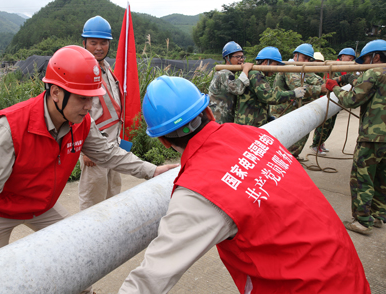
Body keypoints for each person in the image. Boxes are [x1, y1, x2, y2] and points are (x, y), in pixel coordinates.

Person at [0, 46, 177, 290]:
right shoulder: (11, 128)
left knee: (77, 256)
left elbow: (108, 153)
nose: (89, 107)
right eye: (82, 98)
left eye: (92, 98)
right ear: (56, 92)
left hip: (43, 206)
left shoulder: (81, 121)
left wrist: (152, 171)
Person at [118, 75, 370, 293]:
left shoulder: (201, 191)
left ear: (163, 141)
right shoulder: (258, 136)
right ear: (208, 112)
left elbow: (152, 277)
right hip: (347, 273)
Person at [325, 39, 386, 235]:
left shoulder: (374, 72)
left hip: (372, 136)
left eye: (366, 59)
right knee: (381, 177)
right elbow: (361, 81)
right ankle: (377, 215)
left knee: (362, 177)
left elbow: (351, 99)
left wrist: (334, 87)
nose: (365, 63)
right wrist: (347, 79)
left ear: (376, 56)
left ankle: (362, 221)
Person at [78, 15, 124, 211]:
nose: (99, 47)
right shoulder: (81, 70)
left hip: (113, 144)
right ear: (84, 43)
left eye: (103, 42)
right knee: (93, 202)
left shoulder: (105, 68)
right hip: (94, 149)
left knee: (112, 196)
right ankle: (88, 240)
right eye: (93, 42)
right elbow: (77, 111)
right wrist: (85, 148)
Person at [271, 43, 326, 159]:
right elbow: (296, 86)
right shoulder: (289, 67)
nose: (306, 61)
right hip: (282, 111)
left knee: (301, 133)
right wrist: (319, 89)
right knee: (283, 138)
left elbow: (315, 78)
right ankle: (285, 160)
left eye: (308, 59)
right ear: (295, 56)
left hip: (292, 110)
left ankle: (292, 157)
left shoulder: (302, 69)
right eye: (304, 58)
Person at [234, 46, 305, 127]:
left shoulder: (260, 75)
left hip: (253, 123)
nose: (275, 69)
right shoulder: (255, 75)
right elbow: (269, 96)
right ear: (266, 62)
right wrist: (293, 93)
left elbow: (259, 101)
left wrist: (268, 117)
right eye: (275, 65)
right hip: (248, 125)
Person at [310, 49, 356, 155]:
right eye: (349, 58)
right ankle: (316, 144)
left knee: (331, 124)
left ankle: (321, 143)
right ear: (342, 56)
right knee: (325, 124)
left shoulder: (345, 69)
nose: (351, 60)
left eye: (352, 59)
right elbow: (327, 82)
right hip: (327, 98)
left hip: (336, 99)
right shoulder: (335, 67)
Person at [208, 41, 249, 124]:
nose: (241, 60)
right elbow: (238, 89)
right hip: (217, 119)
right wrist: (245, 70)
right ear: (227, 58)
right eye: (238, 57)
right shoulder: (224, 73)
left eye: (242, 57)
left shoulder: (228, 73)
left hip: (222, 117)